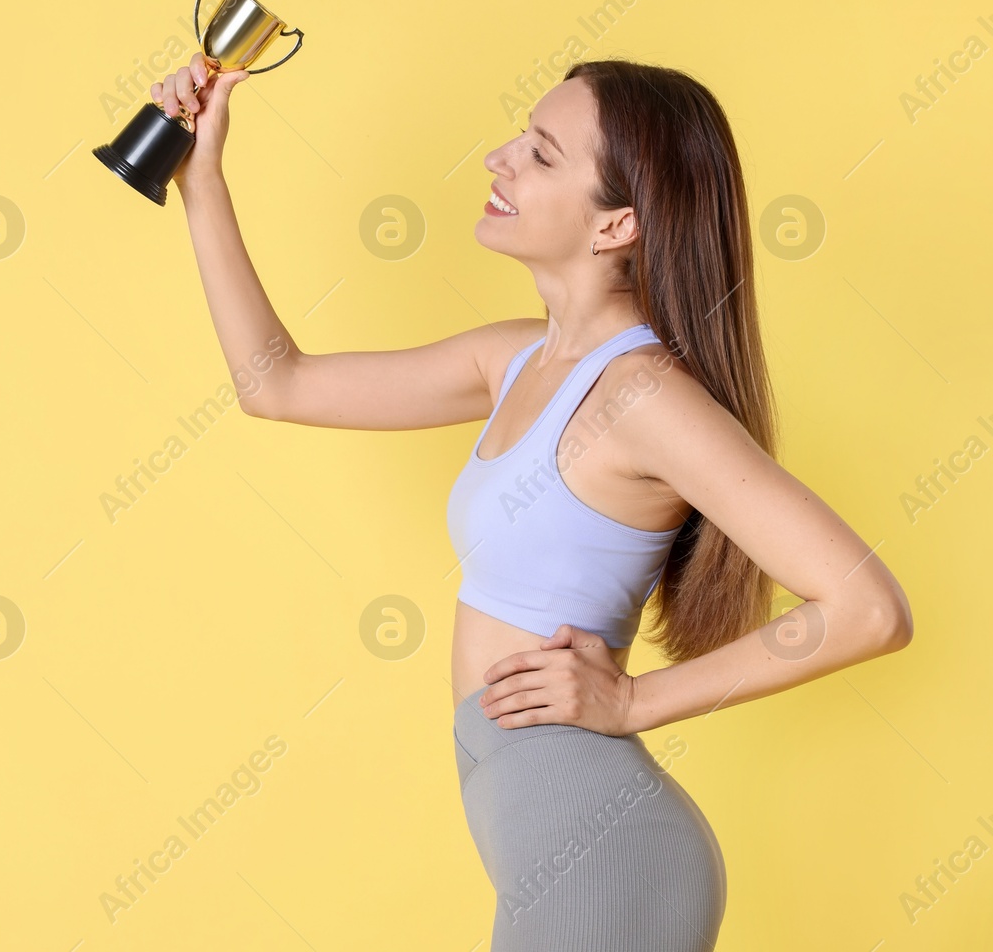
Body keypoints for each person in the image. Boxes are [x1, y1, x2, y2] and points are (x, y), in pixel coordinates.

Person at [151, 53, 913, 950]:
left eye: (542, 154)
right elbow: (273, 384)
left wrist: (636, 702)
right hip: (542, 838)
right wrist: (201, 177)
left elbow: (868, 609)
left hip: (604, 855)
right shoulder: (514, 361)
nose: (499, 159)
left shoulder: (645, 396)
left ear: (618, 221)